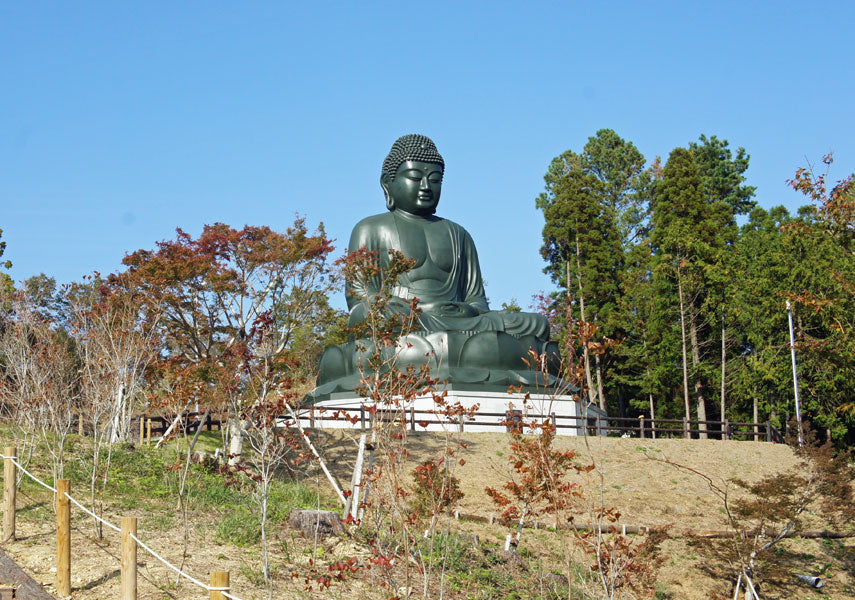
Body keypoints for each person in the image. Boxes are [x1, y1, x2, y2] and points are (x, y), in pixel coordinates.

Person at [312, 134, 559, 398]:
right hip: (405, 321)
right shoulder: (371, 228)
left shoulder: (458, 234)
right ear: (388, 184)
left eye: (435, 179)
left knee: (534, 324)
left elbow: (477, 301)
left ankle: (460, 347)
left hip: (456, 324)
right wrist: (409, 311)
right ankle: (462, 348)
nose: (426, 186)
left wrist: (465, 310)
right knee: (371, 316)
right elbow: (360, 298)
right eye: (416, 177)